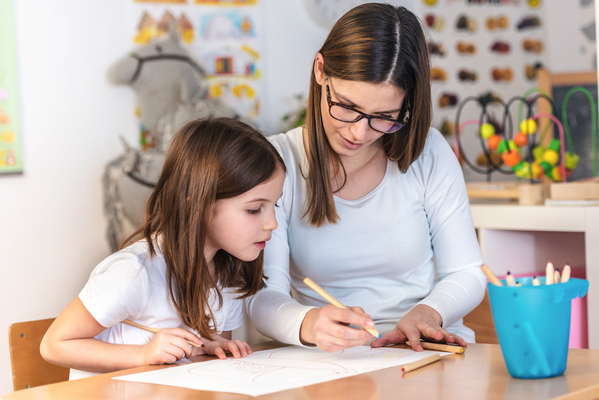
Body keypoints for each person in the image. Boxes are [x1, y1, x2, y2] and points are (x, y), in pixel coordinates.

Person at [247, 4, 486, 352]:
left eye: (384, 116)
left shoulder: (429, 152)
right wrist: (308, 324)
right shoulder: (278, 161)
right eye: (347, 107)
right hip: (325, 361)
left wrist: (429, 313)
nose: (359, 133)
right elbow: (263, 295)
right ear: (320, 71)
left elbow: (467, 272)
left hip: (424, 350)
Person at [41, 118, 286, 378]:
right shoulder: (134, 272)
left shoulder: (229, 273)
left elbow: (197, 364)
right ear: (198, 205)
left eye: (275, 205)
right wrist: (143, 355)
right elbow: (55, 345)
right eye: (254, 209)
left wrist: (209, 347)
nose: (272, 223)